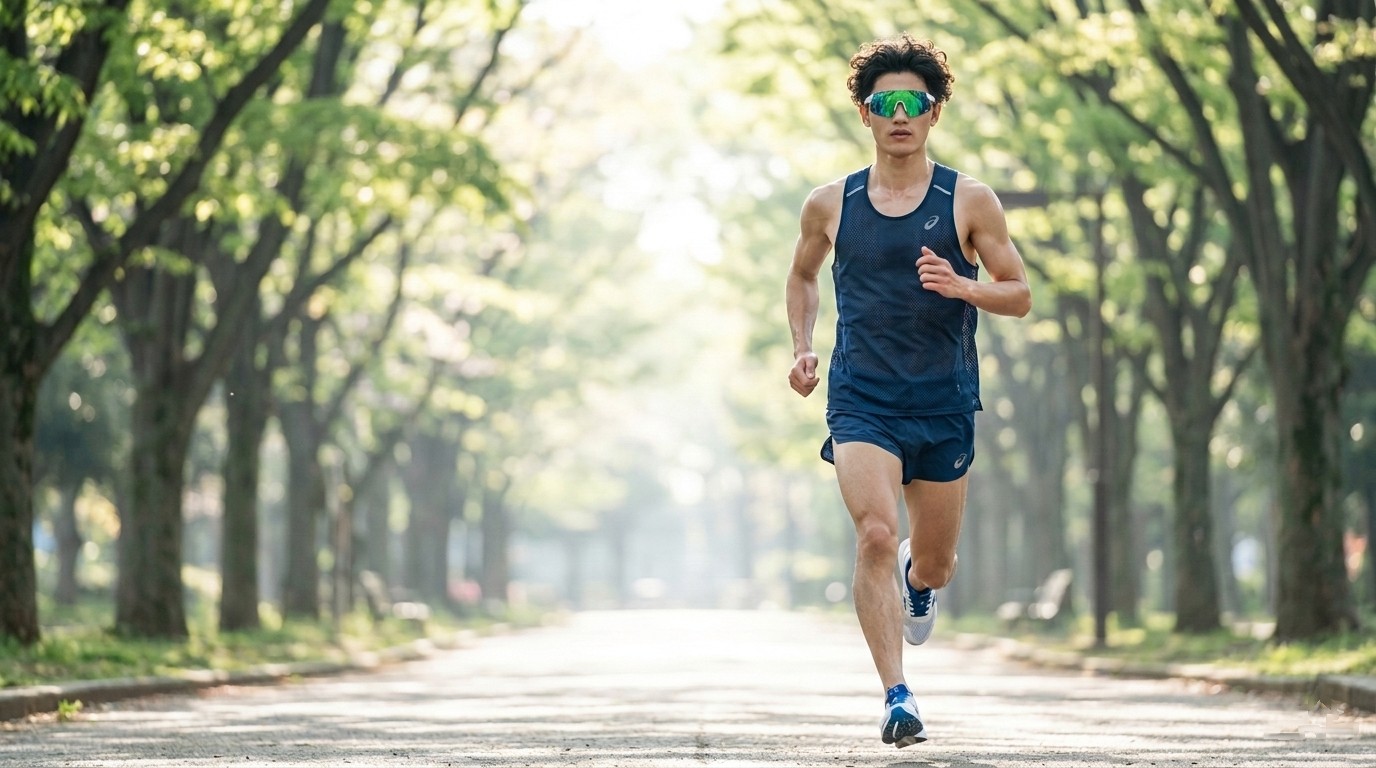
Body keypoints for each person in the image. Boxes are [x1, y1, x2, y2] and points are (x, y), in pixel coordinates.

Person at [785, 33, 1031, 748]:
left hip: (944, 400)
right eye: (884, 103)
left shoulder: (969, 200)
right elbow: (801, 277)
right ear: (865, 114)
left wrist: (963, 286)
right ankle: (897, 695)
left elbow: (1019, 295)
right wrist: (803, 350)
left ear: (933, 114)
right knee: (874, 533)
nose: (900, 115)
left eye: (913, 103)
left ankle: (918, 584)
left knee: (934, 561)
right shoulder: (831, 203)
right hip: (863, 396)